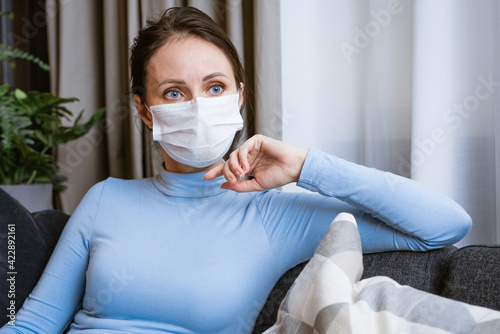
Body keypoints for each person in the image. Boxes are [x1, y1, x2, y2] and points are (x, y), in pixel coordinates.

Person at [0, 6, 471, 334]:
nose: (198, 106)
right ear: (145, 112)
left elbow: (443, 225)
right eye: (173, 93)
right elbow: (37, 323)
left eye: (215, 86)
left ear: (239, 97)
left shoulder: (274, 216)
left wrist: (307, 165)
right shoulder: (106, 198)